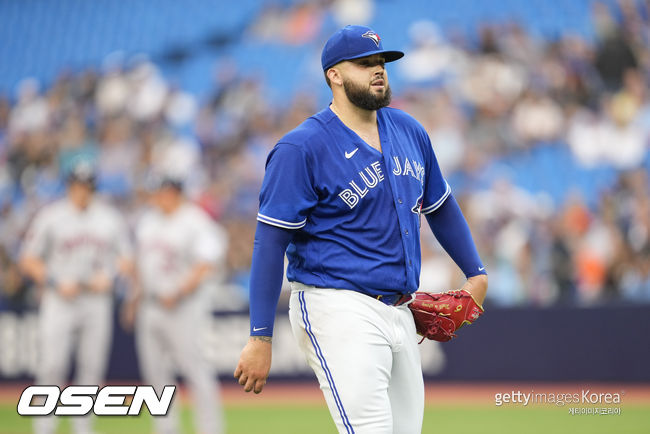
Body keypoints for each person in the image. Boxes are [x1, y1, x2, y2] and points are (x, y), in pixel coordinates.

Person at [234, 25, 488, 433]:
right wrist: (260, 336)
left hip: (401, 308)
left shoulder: (408, 131)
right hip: (337, 305)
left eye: (382, 62)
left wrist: (476, 273)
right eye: (365, 63)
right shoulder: (301, 148)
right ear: (334, 74)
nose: (378, 70)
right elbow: (269, 243)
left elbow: (440, 207)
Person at [19, 160, 132, 434]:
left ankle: (83, 429)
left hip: (96, 300)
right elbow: (28, 259)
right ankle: (44, 428)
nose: (83, 190)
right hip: (60, 299)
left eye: (88, 185)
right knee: (51, 365)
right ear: (70, 185)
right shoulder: (52, 216)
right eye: (78, 184)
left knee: (91, 369)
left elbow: (127, 260)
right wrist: (56, 281)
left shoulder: (109, 218)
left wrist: (112, 277)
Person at [122, 175, 227, 434]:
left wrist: (180, 290)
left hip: (184, 307)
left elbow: (207, 262)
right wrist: (133, 299)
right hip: (150, 305)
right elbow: (140, 265)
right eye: (157, 192)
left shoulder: (195, 221)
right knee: (155, 375)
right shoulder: (148, 221)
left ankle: (210, 430)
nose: (158, 197)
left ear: (175, 192)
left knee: (196, 372)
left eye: (163, 191)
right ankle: (166, 430)